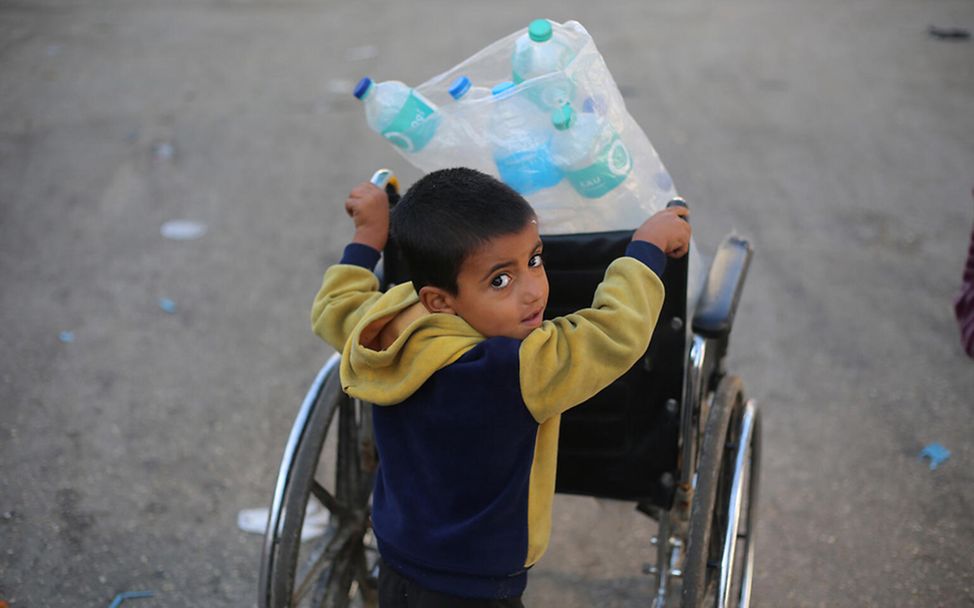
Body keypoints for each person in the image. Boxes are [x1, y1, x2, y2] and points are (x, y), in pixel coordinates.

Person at [311, 168, 690, 607]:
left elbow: (334, 306)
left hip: (398, 560)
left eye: (534, 260)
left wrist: (368, 235)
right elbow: (615, 333)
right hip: (477, 583)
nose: (532, 292)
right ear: (440, 299)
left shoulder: (390, 324)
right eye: (500, 280)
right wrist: (645, 249)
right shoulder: (514, 370)